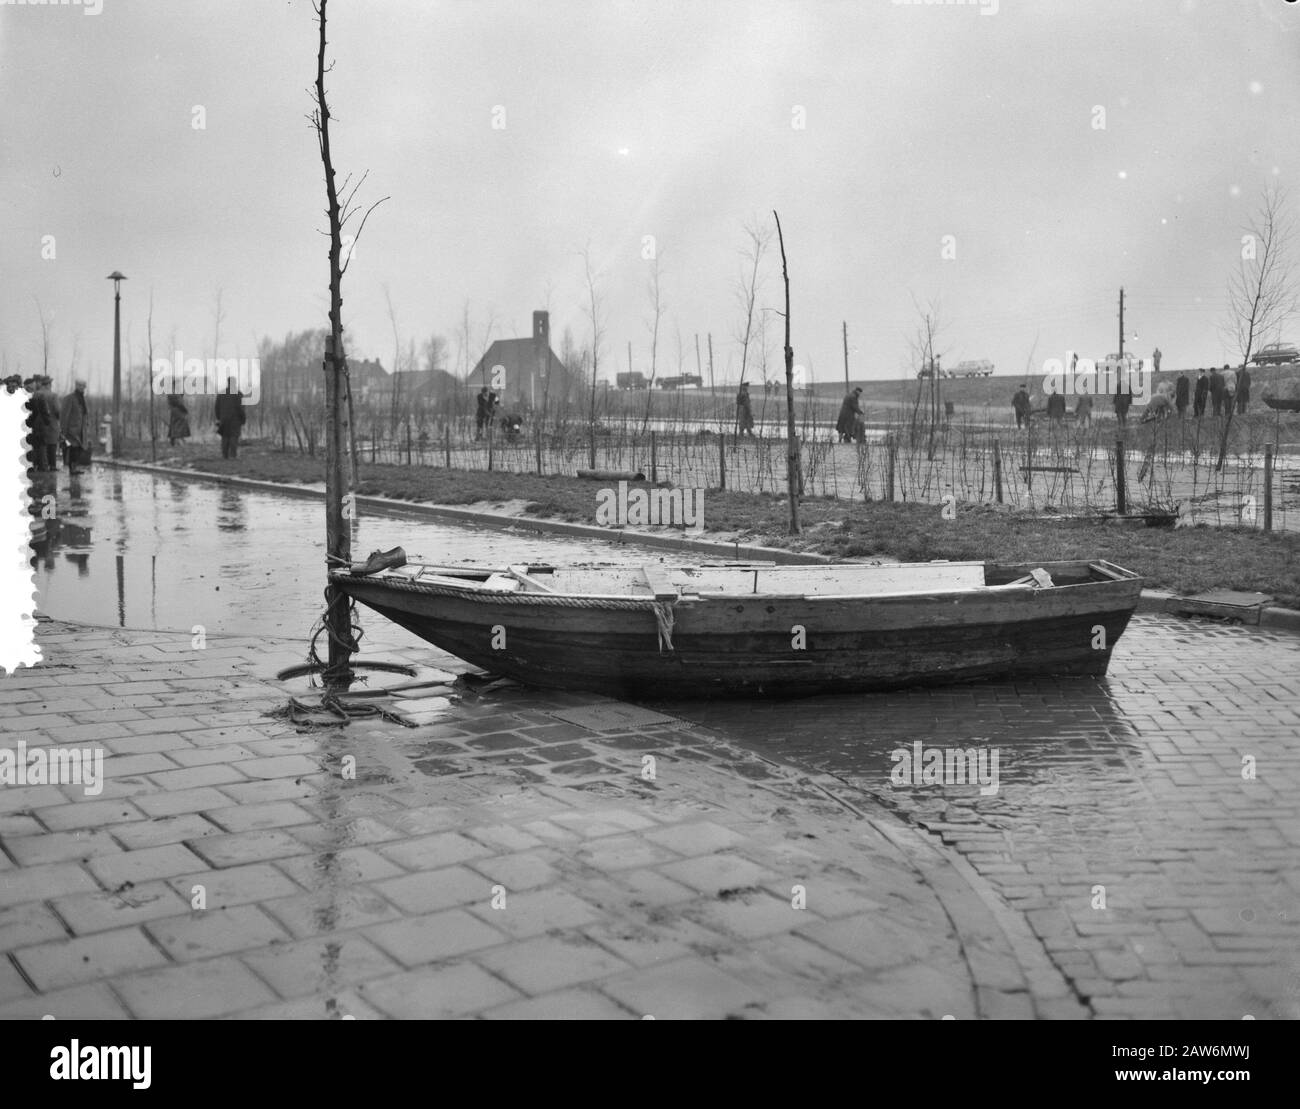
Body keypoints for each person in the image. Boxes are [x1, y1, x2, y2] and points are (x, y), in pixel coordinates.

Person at [62, 379, 91, 474]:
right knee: (73, 449)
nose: (82, 388)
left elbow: (84, 413)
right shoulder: (70, 398)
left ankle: (74, 467)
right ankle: (72, 468)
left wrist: (86, 423)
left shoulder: (82, 398)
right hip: (72, 429)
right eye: (80, 386)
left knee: (79, 449)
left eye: (83, 386)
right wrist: (64, 431)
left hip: (81, 429)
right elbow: (65, 415)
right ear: (76, 386)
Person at [33, 376, 61, 471]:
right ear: (49, 384)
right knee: (52, 445)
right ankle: (52, 466)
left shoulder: (35, 394)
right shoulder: (53, 396)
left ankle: (40, 465)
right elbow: (58, 411)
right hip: (51, 425)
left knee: (40, 447)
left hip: (38, 426)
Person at [214, 377, 246, 459]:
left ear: (227, 383)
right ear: (235, 383)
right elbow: (241, 408)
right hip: (235, 419)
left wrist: (219, 418)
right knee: (233, 437)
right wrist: (243, 419)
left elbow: (216, 407)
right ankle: (233, 456)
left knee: (225, 437)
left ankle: (225, 455)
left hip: (223, 419)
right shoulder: (238, 394)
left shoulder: (221, 394)